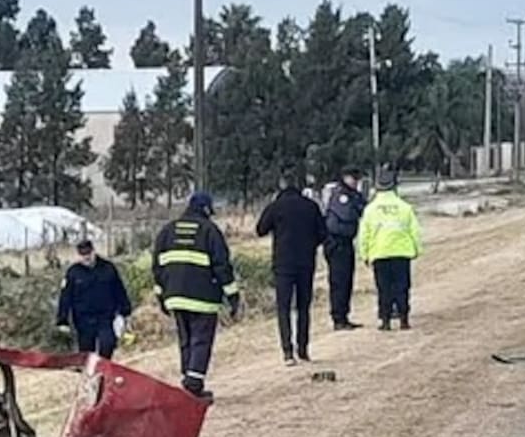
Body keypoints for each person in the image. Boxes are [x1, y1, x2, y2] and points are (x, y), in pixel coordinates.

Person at [152, 191, 239, 401]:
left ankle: (189, 381)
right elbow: (222, 266)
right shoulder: (210, 231)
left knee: (186, 340)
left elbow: (157, 267)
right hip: (203, 297)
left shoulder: (167, 231)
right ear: (206, 209)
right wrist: (233, 295)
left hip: (175, 296)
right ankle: (193, 386)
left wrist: (161, 295)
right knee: (201, 340)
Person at [256, 165, 327, 365]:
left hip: (283, 263)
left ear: (281, 185)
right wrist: (310, 244)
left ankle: (287, 351)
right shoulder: (311, 206)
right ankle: (303, 349)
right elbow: (323, 234)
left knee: (284, 308)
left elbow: (260, 229)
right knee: (304, 307)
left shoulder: (276, 206)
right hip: (306, 262)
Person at [358, 168, 422, 331]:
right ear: (394, 187)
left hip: (380, 253)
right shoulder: (405, 207)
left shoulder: (370, 209)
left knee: (384, 288)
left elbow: (364, 234)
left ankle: (385, 321)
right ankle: (404, 319)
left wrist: (364, 254)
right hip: (402, 252)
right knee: (402, 287)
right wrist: (417, 249)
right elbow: (415, 231)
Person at [56, 239, 132, 359]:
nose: (86, 257)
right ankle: (90, 370)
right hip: (83, 320)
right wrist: (62, 320)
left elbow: (119, 290)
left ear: (93, 251)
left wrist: (125, 311)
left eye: (88, 253)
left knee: (108, 344)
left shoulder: (108, 268)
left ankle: (103, 367)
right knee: (86, 353)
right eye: (83, 254)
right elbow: (65, 298)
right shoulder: (73, 273)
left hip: (105, 317)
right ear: (78, 255)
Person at [323, 167, 367, 331]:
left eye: (357, 179)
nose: (355, 182)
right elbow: (347, 215)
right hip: (336, 242)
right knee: (339, 281)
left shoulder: (353, 195)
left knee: (346, 281)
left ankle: (343, 316)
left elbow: (364, 209)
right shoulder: (341, 195)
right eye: (353, 178)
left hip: (346, 242)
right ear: (345, 178)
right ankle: (339, 318)